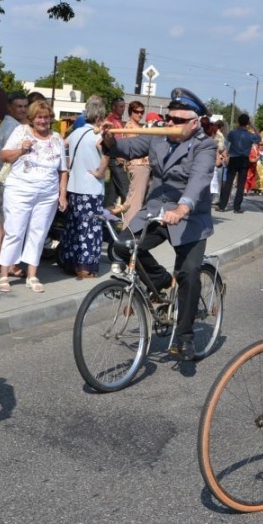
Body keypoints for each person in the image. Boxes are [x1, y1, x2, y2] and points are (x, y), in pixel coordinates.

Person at [101, 87, 216, 361]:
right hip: (155, 211)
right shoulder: (158, 136)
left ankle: (185, 337)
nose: (171, 124)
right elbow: (129, 148)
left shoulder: (205, 145)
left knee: (188, 273)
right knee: (122, 246)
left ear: (194, 122)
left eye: (178, 120)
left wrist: (182, 207)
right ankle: (161, 281)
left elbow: (199, 179)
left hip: (188, 217)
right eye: (169, 118)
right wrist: (109, 138)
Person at [0, 100, 68, 293]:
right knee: (15, 230)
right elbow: (4, 156)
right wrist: (22, 149)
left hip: (47, 193)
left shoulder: (57, 138)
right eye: (39, 117)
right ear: (32, 118)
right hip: (20, 190)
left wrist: (62, 194)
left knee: (39, 232)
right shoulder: (21, 132)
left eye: (46, 117)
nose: (43, 121)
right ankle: (4, 274)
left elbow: (63, 170)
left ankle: (32, 275)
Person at [58, 96, 109, 278]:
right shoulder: (98, 136)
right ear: (99, 118)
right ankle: (85, 268)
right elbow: (106, 154)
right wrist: (101, 172)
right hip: (91, 188)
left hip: (73, 186)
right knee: (90, 228)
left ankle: (70, 262)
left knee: (75, 227)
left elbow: (61, 145)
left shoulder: (76, 133)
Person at [0, 91, 28, 278]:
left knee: (1, 220)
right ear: (9, 107)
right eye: (19, 106)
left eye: (25, 106)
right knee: (11, 222)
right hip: (10, 177)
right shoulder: (14, 128)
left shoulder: (5, 124)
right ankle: (10, 264)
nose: (23, 110)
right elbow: (9, 156)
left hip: (2, 176)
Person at [113, 100, 150, 220]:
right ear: (131, 112)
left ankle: (129, 224)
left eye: (142, 112)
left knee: (133, 200)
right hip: (138, 166)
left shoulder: (138, 127)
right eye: (136, 111)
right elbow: (136, 148)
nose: (139, 114)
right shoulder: (130, 127)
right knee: (135, 203)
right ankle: (130, 228)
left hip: (142, 166)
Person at [217, 113, 260, 213]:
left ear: (238, 122)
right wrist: (252, 125)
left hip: (233, 158)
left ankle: (222, 206)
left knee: (228, 182)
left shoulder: (232, 133)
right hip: (244, 159)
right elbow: (259, 138)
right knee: (241, 184)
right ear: (247, 123)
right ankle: (237, 207)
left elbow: (226, 144)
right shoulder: (250, 135)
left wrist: (227, 156)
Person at [103, 97, 130, 213]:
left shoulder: (118, 120)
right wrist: (118, 155)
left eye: (124, 106)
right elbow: (110, 140)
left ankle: (108, 214)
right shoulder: (110, 120)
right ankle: (130, 215)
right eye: (121, 106)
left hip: (118, 156)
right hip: (114, 157)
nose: (123, 109)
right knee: (125, 189)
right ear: (113, 107)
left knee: (113, 191)